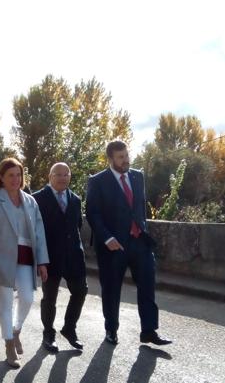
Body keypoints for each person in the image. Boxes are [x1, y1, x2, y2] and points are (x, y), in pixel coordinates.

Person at [85, 140, 172, 346]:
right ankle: (111, 330)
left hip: (139, 242)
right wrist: (107, 237)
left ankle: (149, 331)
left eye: (126, 155)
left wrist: (142, 231)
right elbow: (93, 213)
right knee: (112, 289)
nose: (125, 160)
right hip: (113, 246)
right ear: (111, 159)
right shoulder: (98, 181)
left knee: (148, 286)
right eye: (120, 157)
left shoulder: (137, 176)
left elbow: (139, 208)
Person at [0, 158, 49, 368]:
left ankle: (16, 331)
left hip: (26, 257)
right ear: (1, 177)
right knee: (6, 303)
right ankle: (9, 345)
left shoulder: (30, 201)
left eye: (18, 175)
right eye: (10, 175)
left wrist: (43, 261)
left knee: (27, 298)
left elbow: (39, 232)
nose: (15, 179)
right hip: (0, 259)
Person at [33, 163, 87, 353]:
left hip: (73, 256)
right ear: (50, 176)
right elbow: (34, 233)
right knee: (50, 298)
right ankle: (48, 334)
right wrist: (40, 260)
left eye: (66, 174)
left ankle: (69, 329)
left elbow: (77, 226)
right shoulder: (37, 199)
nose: (63, 178)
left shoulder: (76, 199)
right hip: (50, 258)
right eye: (58, 174)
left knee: (80, 291)